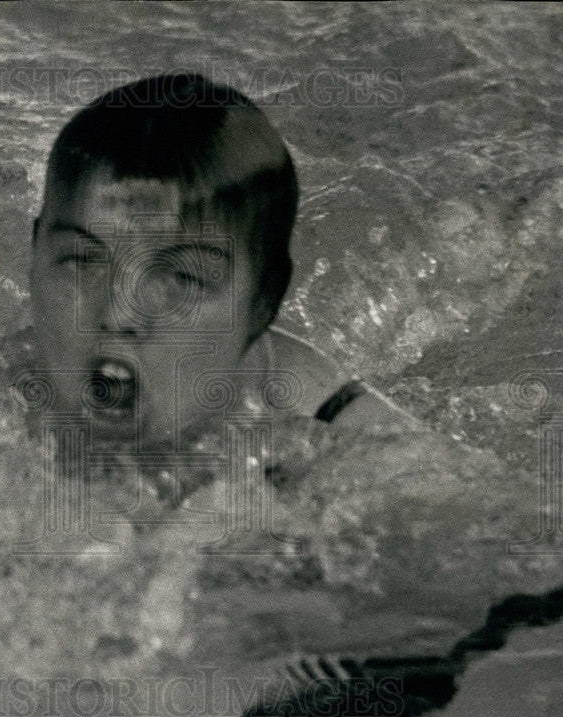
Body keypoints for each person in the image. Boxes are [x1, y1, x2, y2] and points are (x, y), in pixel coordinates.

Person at [26, 73, 413, 457]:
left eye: (181, 277)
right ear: (35, 253)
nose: (118, 313)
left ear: (263, 303)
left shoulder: (348, 445)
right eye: (81, 260)